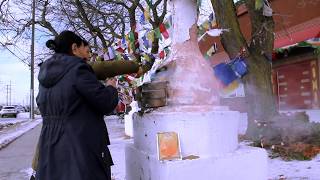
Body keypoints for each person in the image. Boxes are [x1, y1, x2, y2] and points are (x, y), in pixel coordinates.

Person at [34, 30, 118, 180]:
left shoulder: (44, 75)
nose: (88, 55)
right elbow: (105, 103)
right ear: (74, 48)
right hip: (80, 147)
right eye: (85, 49)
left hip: (50, 148)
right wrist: (111, 87)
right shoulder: (78, 69)